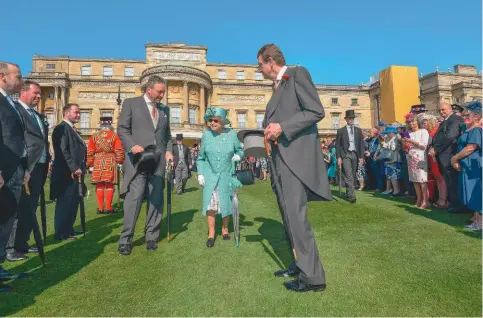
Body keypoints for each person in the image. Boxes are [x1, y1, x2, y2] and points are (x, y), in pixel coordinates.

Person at [258, 43, 331, 292]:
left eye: (260, 64)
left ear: (270, 61)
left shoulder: (298, 73)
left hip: (295, 159)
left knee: (297, 218)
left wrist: (282, 127)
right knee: (288, 216)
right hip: (280, 158)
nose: (259, 70)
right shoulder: (277, 86)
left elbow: (315, 110)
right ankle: (299, 264)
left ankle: (313, 278)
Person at [117, 75, 174, 255]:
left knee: (156, 200)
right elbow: (122, 129)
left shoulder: (165, 110)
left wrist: (169, 150)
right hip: (138, 161)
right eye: (159, 92)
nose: (162, 95)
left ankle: (151, 237)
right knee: (133, 200)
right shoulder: (131, 103)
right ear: (149, 90)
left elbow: (167, 136)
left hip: (158, 162)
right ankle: (126, 239)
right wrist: (132, 145)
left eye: (163, 92)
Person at [7, 81, 50, 261]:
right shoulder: (16, 110)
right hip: (24, 166)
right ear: (23, 93)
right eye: (36, 93)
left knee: (29, 207)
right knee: (15, 209)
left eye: (40, 93)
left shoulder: (37, 115)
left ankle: (22, 243)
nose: (39, 96)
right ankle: (10, 248)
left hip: (39, 166)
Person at [0, 61, 30, 291]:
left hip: (15, 170)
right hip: (3, 171)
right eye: (17, 76)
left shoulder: (10, 103)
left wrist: (24, 167)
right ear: (2, 76)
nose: (20, 80)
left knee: (7, 219)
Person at [196, 107, 243, 247]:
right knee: (210, 205)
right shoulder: (206, 135)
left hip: (226, 176)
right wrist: (200, 174)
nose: (212, 123)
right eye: (210, 120)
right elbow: (201, 158)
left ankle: (225, 229)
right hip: (210, 176)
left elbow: (240, 151)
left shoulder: (232, 134)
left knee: (225, 203)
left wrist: (237, 156)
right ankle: (211, 233)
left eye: (215, 120)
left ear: (222, 121)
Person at [50, 103, 87, 241]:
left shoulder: (72, 129)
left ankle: (69, 229)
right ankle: (61, 233)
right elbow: (62, 151)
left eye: (79, 113)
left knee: (73, 202)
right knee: (65, 203)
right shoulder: (61, 128)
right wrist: (73, 167)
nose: (78, 115)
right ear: (66, 113)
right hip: (66, 173)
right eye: (76, 112)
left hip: (76, 173)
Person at [451, 101, 482, 230]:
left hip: (474, 165)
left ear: (476, 116)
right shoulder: (469, 129)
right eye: (463, 115)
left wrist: (454, 158)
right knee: (470, 192)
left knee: (477, 193)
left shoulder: (476, 130)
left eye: (467, 115)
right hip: (468, 165)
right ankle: (476, 220)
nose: (464, 118)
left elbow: (470, 148)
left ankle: (480, 223)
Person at [430, 102, 465, 213]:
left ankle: (458, 205)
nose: (441, 112)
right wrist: (432, 146)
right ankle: (454, 203)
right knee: (449, 180)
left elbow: (450, 136)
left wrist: (436, 148)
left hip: (450, 154)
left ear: (450, 109)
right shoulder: (445, 120)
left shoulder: (455, 119)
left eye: (443, 110)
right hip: (443, 154)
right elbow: (437, 136)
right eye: (440, 110)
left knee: (453, 180)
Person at [86, 116, 124, 214]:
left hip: (97, 161)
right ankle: (108, 208)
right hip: (110, 160)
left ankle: (100, 208)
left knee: (99, 185)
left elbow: (90, 152)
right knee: (109, 185)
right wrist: (120, 161)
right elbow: (118, 150)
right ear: (110, 124)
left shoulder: (93, 137)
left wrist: (90, 163)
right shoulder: (114, 136)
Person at [335, 109, 366, 203]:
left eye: (352, 118)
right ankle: (352, 196)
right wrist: (338, 157)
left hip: (355, 154)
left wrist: (361, 157)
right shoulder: (341, 131)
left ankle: (348, 193)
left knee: (352, 175)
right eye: (349, 118)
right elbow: (337, 145)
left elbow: (361, 144)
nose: (351, 120)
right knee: (348, 174)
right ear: (346, 119)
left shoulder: (358, 130)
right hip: (346, 154)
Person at [403, 114, 429, 208]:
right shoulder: (407, 132)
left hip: (421, 157)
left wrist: (411, 141)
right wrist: (404, 143)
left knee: (422, 179)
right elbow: (405, 147)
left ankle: (425, 201)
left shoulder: (423, 131)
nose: (411, 124)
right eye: (409, 122)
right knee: (414, 180)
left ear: (417, 122)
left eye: (413, 121)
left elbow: (423, 146)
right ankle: (418, 200)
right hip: (410, 157)